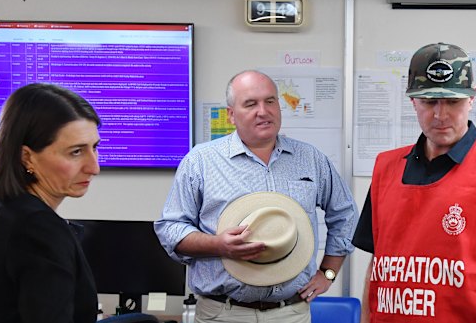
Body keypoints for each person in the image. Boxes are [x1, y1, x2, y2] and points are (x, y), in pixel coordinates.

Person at [154, 70, 359, 323]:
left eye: (270, 101)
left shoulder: (311, 159)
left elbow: (346, 213)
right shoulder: (200, 161)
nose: (263, 111)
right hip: (222, 314)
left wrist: (328, 273)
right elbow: (170, 228)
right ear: (231, 114)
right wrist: (218, 245)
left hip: (292, 313)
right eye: (251, 104)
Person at [352, 43, 476, 323]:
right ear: (412, 101)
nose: (440, 115)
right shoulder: (386, 168)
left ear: (472, 98)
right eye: (429, 101)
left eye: (452, 101)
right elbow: (379, 261)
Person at [0, 83, 101, 323]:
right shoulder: (38, 228)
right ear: (27, 157)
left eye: (95, 147)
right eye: (76, 152)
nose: (94, 167)